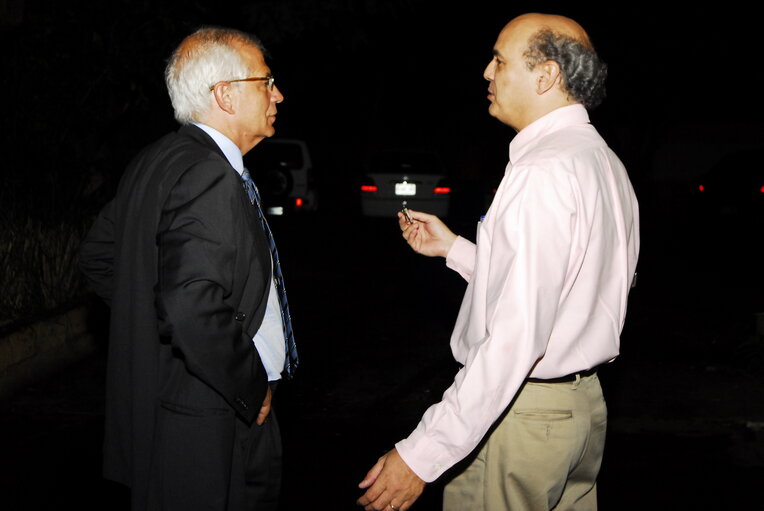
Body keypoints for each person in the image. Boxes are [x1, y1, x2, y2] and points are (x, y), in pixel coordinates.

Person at [357, 12, 639, 511]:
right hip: (579, 411)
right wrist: (455, 250)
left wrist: (423, 454)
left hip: (523, 417)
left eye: (499, 60)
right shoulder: (600, 159)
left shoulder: (543, 169)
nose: (487, 73)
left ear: (546, 75)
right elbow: (570, 287)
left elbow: (516, 334)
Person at [79, 27, 297, 511]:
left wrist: (149, 312)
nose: (278, 94)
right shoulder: (209, 173)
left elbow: (99, 256)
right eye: (266, 81)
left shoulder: (157, 158)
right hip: (212, 417)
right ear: (225, 94)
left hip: (168, 407)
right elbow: (190, 303)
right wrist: (250, 383)